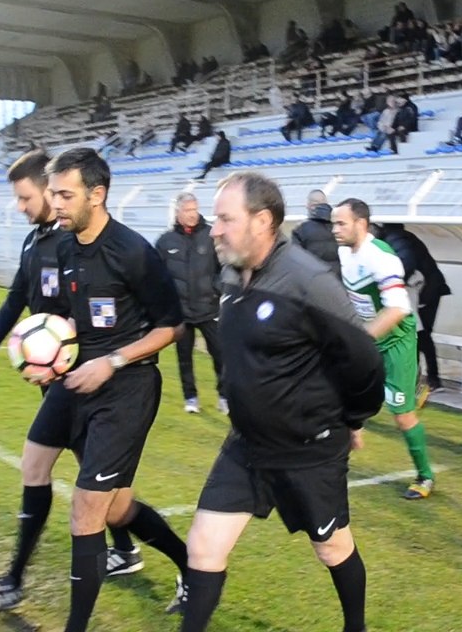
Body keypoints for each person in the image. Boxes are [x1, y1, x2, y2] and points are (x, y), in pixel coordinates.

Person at [181, 172, 385, 632]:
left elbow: (364, 360)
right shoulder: (231, 274)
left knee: (331, 548)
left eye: (225, 219)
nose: (215, 229)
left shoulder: (310, 281)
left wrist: (354, 417)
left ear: (263, 220)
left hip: (307, 448)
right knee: (204, 547)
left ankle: (356, 627)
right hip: (247, 445)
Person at [0, 150, 143, 615]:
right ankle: (129, 550)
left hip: (84, 378)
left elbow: (91, 317)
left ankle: (16, 578)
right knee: (92, 486)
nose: (22, 206)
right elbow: (17, 296)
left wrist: (62, 353)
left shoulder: (77, 243)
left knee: (86, 489)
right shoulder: (35, 244)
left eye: (26, 197)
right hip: (56, 375)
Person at [44, 148, 192, 631]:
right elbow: (74, 318)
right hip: (78, 382)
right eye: (53, 193)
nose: (56, 204)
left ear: (97, 194)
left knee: (86, 508)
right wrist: (50, 353)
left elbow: (172, 326)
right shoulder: (64, 247)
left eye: (65, 195)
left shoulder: (132, 251)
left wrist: (112, 360)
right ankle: (191, 566)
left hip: (128, 386)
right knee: (116, 506)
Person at [334, 200, 436, 499]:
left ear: (361, 224)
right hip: (368, 336)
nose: (335, 229)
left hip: (395, 342)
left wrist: (360, 340)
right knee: (337, 392)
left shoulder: (382, 258)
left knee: (402, 416)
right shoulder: (343, 253)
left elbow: (398, 309)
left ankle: (425, 476)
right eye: (333, 223)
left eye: (341, 223)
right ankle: (337, 456)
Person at [156, 193, 226, 415]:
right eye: (187, 210)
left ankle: (224, 396)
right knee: (184, 358)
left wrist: (216, 289)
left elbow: (224, 267)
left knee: (220, 355)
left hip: (209, 308)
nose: (192, 214)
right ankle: (191, 397)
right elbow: (157, 276)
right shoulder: (165, 242)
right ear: (178, 212)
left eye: (195, 209)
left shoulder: (211, 235)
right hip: (181, 312)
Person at [378, 223, 452, 393]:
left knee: (422, 335)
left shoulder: (397, 239)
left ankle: (431, 379)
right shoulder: (398, 237)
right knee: (419, 335)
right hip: (422, 292)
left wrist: (389, 283)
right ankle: (418, 379)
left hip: (427, 292)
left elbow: (406, 265)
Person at [292, 189, 341, 277]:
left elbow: (295, 259)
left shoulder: (301, 229)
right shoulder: (340, 226)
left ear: (311, 206)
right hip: (339, 281)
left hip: (312, 280)